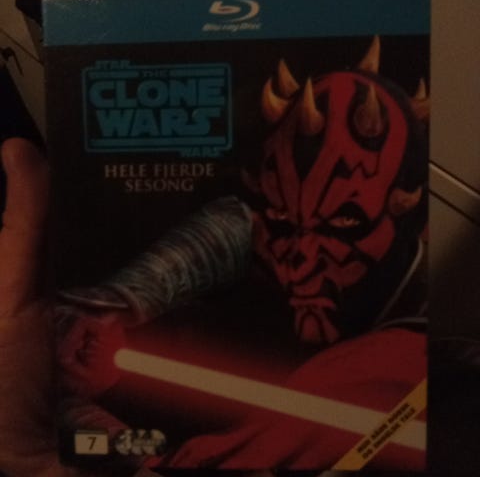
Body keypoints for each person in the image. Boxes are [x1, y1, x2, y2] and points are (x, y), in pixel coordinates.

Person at [56, 38, 429, 471]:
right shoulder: (288, 239)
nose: (301, 256)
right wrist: (114, 304)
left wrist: (104, 435)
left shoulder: (387, 369)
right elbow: (243, 224)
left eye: (343, 222)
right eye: (284, 215)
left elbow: (169, 464)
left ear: (404, 212)